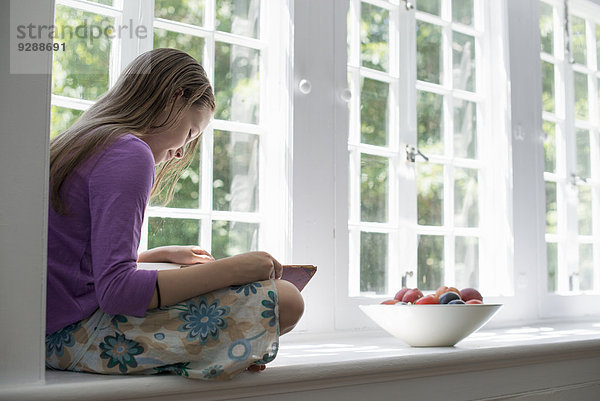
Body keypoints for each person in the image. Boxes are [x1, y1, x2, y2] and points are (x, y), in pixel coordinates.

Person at [45, 48, 304, 380]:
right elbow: (117, 292)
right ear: (175, 97)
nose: (182, 151)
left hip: (47, 329)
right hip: (74, 337)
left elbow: (70, 264)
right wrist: (235, 269)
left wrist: (150, 256)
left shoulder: (83, 142)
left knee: (182, 276)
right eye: (192, 132)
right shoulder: (130, 152)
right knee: (285, 298)